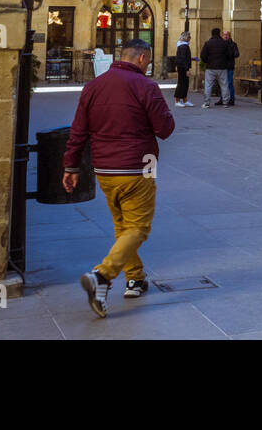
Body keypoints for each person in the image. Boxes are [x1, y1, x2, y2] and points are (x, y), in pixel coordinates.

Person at [63, 39, 175, 318]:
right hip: (139, 167)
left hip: (104, 169)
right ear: (141, 58)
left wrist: (71, 167)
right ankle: (102, 275)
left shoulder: (93, 86)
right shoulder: (146, 86)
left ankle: (135, 279)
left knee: (122, 225)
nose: (148, 65)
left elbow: (78, 131)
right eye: (147, 61)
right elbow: (165, 129)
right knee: (139, 228)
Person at [199, 27, 232, 108]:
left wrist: (207, 61)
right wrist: (224, 61)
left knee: (208, 85)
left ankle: (206, 103)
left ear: (212, 34)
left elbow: (202, 56)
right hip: (222, 68)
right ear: (219, 33)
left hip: (210, 67)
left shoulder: (208, 43)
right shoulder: (224, 43)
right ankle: (225, 102)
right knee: (224, 85)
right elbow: (229, 55)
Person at [173, 31, 193, 108]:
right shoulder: (184, 46)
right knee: (182, 83)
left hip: (181, 66)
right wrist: (187, 69)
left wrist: (191, 59)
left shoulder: (181, 45)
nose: (190, 38)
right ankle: (177, 100)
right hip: (183, 67)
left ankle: (185, 99)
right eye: (189, 37)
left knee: (185, 83)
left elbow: (184, 57)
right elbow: (184, 59)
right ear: (186, 38)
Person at [222, 30, 240, 105]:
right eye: (224, 35)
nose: (225, 36)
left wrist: (230, 53)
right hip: (222, 67)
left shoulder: (233, 44)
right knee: (222, 83)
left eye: (227, 35)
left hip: (230, 66)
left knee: (229, 83)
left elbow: (237, 54)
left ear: (229, 36)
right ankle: (222, 99)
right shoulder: (221, 44)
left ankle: (232, 99)